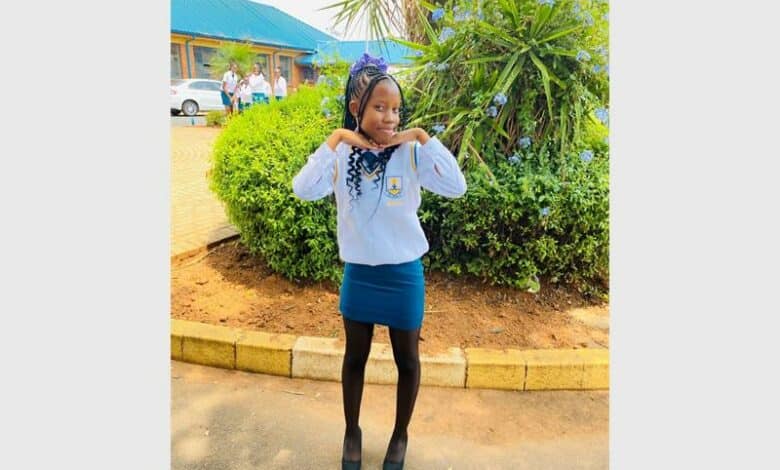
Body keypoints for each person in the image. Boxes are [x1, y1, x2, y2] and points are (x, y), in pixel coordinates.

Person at [292, 53, 467, 470]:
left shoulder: (411, 153)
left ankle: (400, 435)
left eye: (396, 109)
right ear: (357, 108)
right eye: (380, 107)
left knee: (408, 361)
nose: (390, 117)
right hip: (360, 277)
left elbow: (456, 186)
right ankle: (352, 431)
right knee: (355, 358)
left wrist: (420, 136)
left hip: (404, 276)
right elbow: (304, 188)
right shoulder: (341, 156)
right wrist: (338, 138)